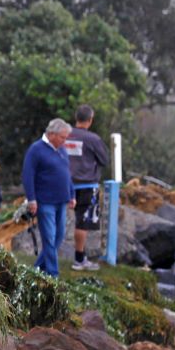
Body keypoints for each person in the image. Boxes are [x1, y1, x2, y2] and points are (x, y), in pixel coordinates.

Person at [23, 118, 77, 277]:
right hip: (44, 201)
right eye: (62, 137)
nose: (65, 141)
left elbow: (67, 173)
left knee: (59, 236)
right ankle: (53, 274)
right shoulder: (36, 149)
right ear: (52, 134)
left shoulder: (61, 150)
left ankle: (38, 268)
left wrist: (72, 193)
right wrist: (31, 199)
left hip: (62, 200)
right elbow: (28, 175)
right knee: (49, 237)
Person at [66, 104, 110, 271]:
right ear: (90, 120)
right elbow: (104, 160)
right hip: (87, 185)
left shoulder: (65, 135)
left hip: (66, 184)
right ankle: (79, 259)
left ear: (76, 117)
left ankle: (53, 256)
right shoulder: (93, 139)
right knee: (82, 222)